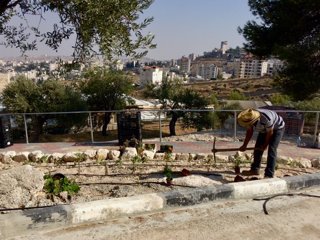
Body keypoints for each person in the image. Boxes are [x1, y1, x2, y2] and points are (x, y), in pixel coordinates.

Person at [237, 108, 285, 178]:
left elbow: (270, 133)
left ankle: (269, 174)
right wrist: (244, 145)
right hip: (265, 129)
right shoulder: (248, 118)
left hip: (277, 128)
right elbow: (249, 132)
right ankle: (255, 169)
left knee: (272, 149)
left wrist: (265, 146)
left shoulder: (266, 119)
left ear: (254, 120)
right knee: (257, 148)